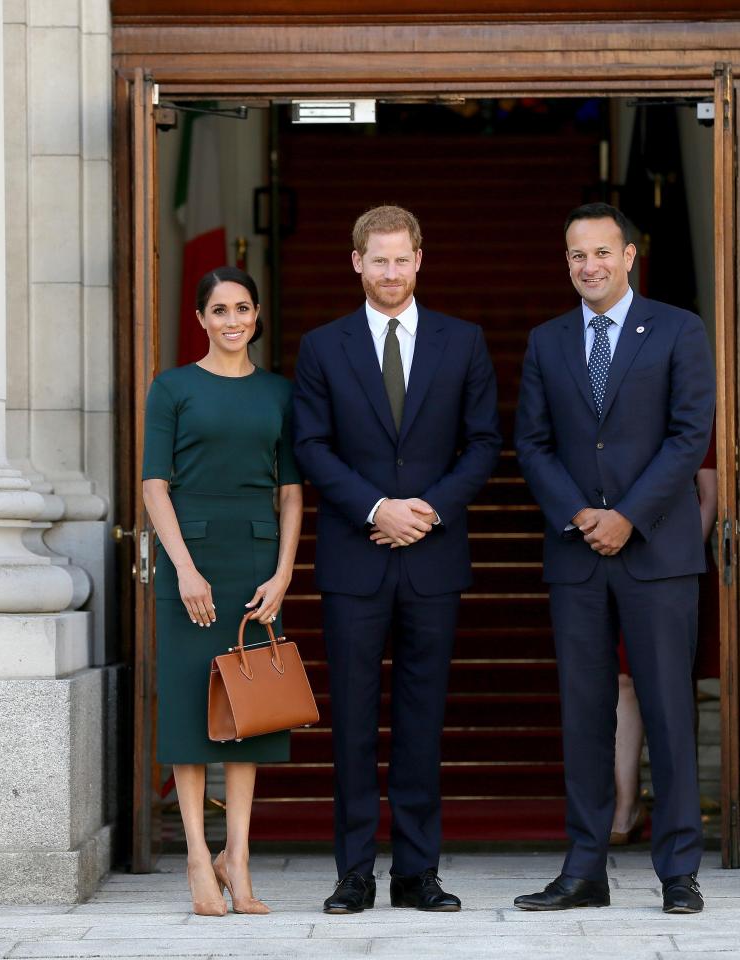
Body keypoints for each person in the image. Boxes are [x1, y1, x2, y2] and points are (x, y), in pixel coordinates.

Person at [293, 205, 501, 914]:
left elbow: (482, 443)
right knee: (350, 723)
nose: (389, 272)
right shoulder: (322, 347)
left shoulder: (463, 341)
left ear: (420, 259)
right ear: (356, 262)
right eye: (376, 260)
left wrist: (428, 509)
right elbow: (311, 446)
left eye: (400, 259)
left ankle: (417, 874)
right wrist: (376, 507)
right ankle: (353, 873)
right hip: (356, 557)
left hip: (433, 558)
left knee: (421, 721)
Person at [513, 202, 715, 914]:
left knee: (667, 710)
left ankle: (679, 871)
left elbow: (690, 436)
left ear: (629, 256)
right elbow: (531, 444)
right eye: (576, 256)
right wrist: (579, 514)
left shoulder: (679, 330)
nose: (588, 266)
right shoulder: (547, 341)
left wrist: (628, 516)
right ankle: (584, 869)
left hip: (657, 552)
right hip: (576, 554)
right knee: (585, 713)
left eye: (601, 253)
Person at [142, 266, 303, 917]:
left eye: (242, 308)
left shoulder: (279, 393)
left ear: (257, 314)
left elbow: (291, 489)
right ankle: (194, 857)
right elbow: (155, 483)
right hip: (191, 557)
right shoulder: (172, 387)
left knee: (250, 710)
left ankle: (236, 857)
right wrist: (182, 567)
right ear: (202, 319)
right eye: (219, 310)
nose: (232, 319)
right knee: (188, 714)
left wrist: (285, 571)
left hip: (256, 561)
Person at [610, 432, 718, 846]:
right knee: (624, 680)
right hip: (616, 557)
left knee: (674, 683)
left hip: (677, 566)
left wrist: (683, 555)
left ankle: (677, 809)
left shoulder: (689, 409)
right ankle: (626, 806)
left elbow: (708, 496)